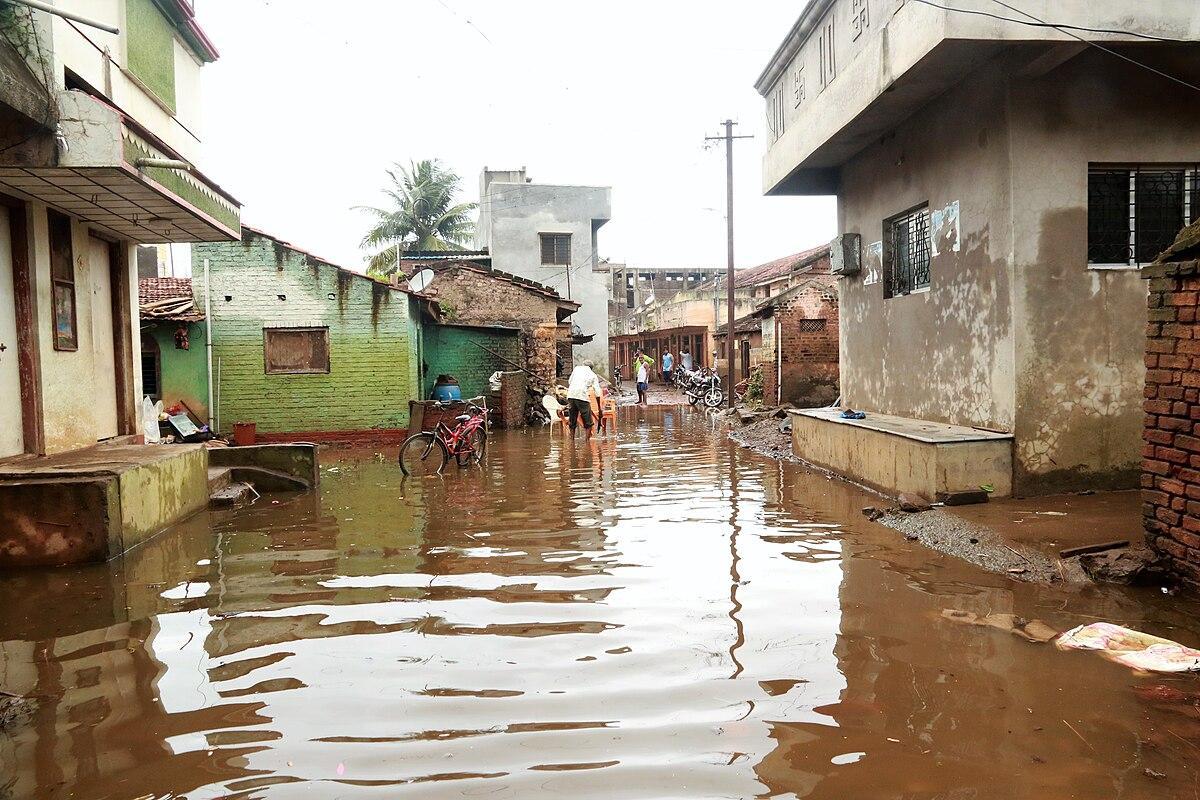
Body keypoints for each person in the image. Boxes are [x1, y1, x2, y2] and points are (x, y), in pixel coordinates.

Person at [566, 359, 603, 437]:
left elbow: (569, 382)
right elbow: (597, 393)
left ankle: (572, 441)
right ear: (591, 368)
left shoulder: (576, 369)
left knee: (572, 420)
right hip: (582, 396)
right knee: (588, 422)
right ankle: (587, 444)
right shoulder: (592, 374)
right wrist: (600, 409)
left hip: (571, 395)